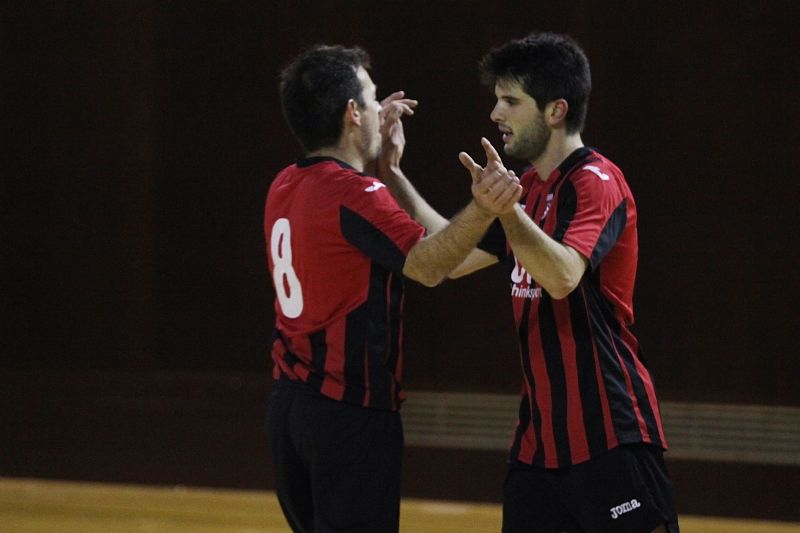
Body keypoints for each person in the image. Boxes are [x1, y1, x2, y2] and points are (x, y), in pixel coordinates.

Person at [378, 33, 679, 532]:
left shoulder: (596, 181)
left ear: (556, 110)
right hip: (539, 446)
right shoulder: (530, 190)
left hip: (608, 434)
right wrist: (393, 173)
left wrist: (508, 212)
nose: (496, 114)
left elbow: (562, 276)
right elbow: (448, 256)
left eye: (510, 101)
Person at [263, 44, 521, 533]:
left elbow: (438, 254)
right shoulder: (354, 194)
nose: (384, 110)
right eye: (373, 98)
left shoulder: (285, 184)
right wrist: (485, 208)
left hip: (289, 409)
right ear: (352, 113)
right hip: (348, 411)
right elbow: (430, 266)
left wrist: (391, 169)